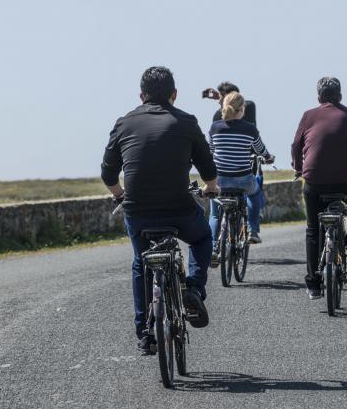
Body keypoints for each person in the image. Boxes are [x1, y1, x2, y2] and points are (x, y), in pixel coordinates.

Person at [101, 66, 218, 354]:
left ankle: (144, 332)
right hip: (179, 208)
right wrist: (211, 188)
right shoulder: (187, 122)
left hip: (138, 211)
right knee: (203, 238)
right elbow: (208, 169)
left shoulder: (124, 123)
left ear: (141, 95)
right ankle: (193, 289)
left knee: (141, 262)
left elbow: (108, 173)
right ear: (174, 95)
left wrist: (120, 196)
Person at [291, 77, 347, 300]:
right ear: (340, 96)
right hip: (346, 180)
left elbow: (295, 145)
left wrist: (299, 169)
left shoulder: (308, 115)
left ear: (319, 97)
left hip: (313, 182)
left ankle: (313, 283)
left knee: (312, 229)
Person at [208, 91, 274, 263]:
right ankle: (252, 230)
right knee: (254, 193)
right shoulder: (249, 129)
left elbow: (211, 152)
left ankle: (214, 246)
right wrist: (268, 158)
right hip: (243, 179)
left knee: (215, 214)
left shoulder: (215, 127)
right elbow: (261, 150)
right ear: (240, 109)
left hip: (220, 179)